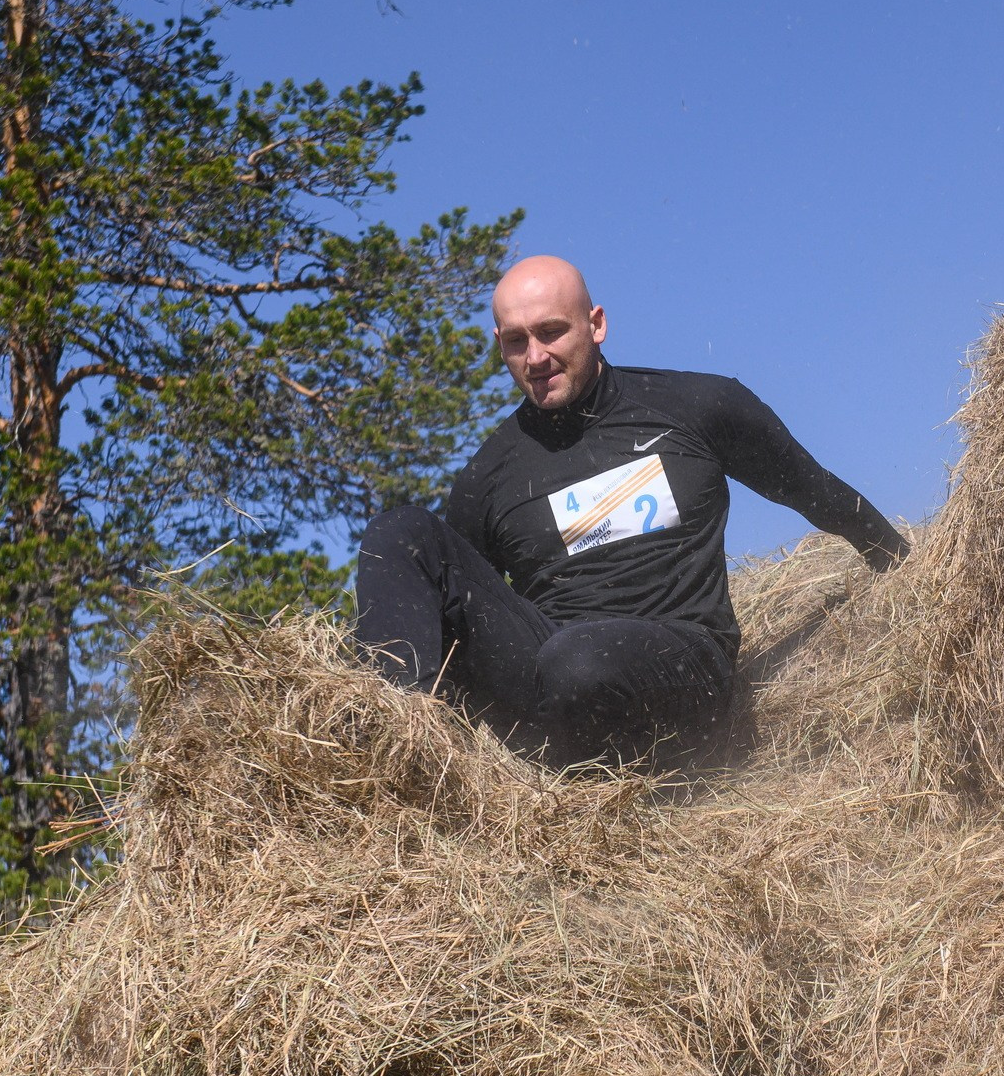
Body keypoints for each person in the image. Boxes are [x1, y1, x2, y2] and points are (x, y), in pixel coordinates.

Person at [353, 255, 908, 765]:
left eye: (551, 332)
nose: (536, 357)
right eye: (517, 342)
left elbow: (813, 490)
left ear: (596, 325)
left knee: (578, 660)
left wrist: (908, 570)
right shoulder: (489, 475)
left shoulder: (695, 407)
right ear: (499, 345)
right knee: (401, 531)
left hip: (683, 667)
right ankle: (398, 751)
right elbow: (461, 615)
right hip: (553, 676)